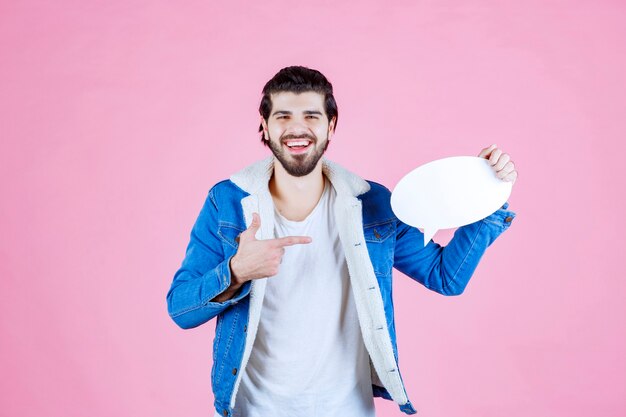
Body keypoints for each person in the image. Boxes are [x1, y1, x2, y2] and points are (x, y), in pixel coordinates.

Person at [166, 66, 517, 417]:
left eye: (311, 116)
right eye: (283, 115)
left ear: (331, 126)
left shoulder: (373, 204)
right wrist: (236, 271)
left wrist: (488, 198)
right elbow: (180, 309)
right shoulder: (226, 202)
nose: (296, 128)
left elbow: (446, 277)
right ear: (264, 125)